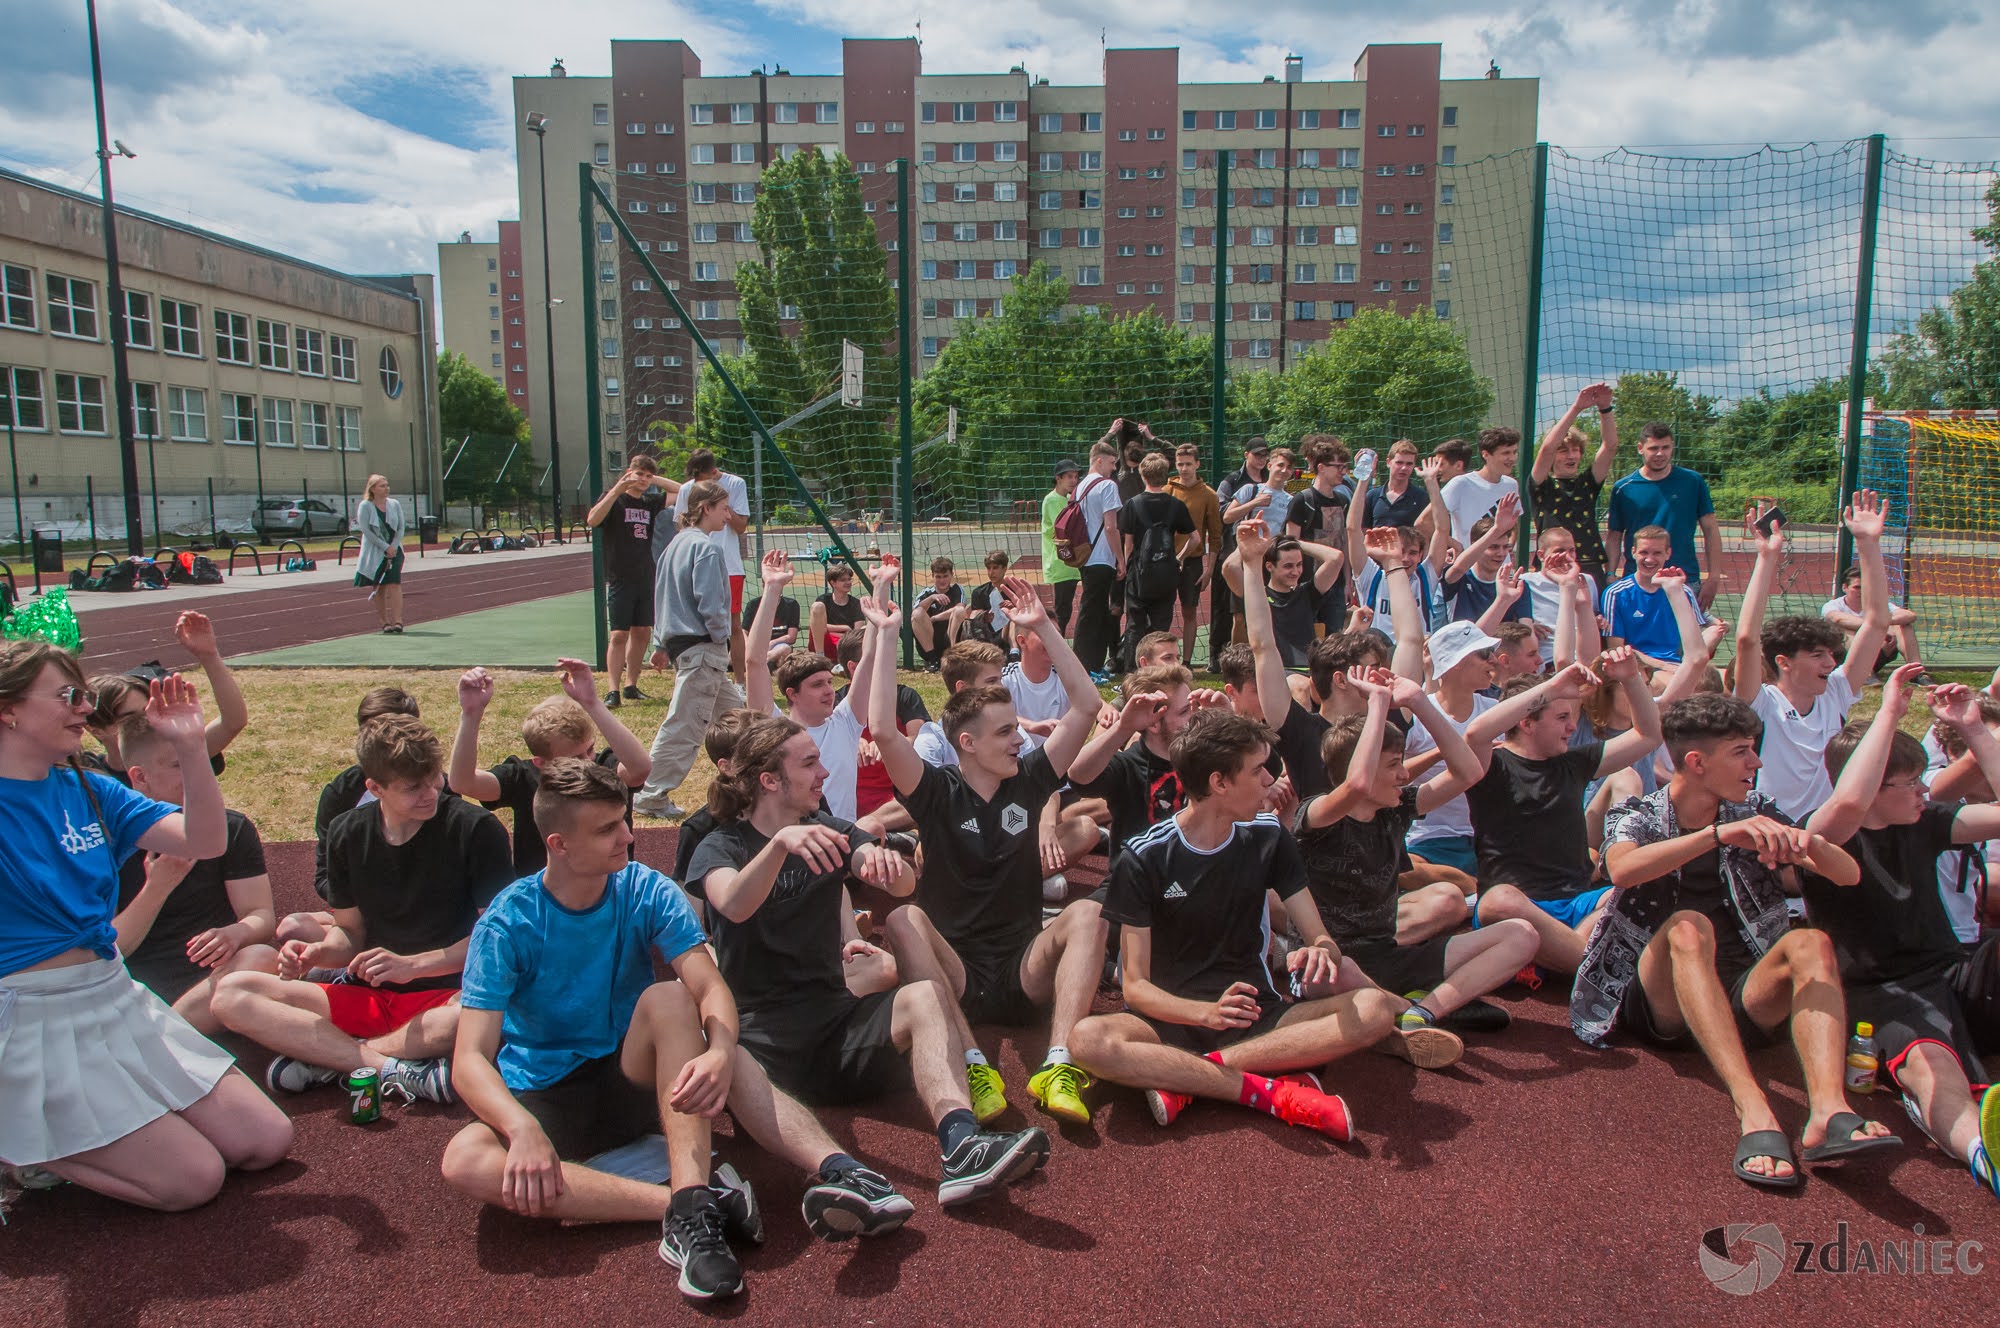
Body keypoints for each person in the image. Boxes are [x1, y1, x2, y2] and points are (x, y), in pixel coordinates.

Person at [685, 720, 1051, 1219]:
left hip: (837, 1027)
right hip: (763, 1040)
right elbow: (732, 903)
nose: (823, 773)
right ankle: (845, 1174)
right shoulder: (721, 847)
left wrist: (887, 870)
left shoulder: (831, 830)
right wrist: (779, 846)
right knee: (728, 1058)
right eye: (808, 763)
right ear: (769, 780)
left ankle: (962, 1145)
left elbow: (894, 884)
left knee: (923, 996)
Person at [441, 759, 765, 1302]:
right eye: (607, 829)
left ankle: (689, 1213)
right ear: (559, 844)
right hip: (547, 1092)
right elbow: (469, 1057)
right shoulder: (508, 920)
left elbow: (709, 987)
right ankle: (690, 1206)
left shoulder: (644, 888)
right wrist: (521, 1131)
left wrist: (721, 1051)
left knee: (667, 998)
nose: (629, 836)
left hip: (631, 1079)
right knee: (464, 1161)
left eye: (623, 820)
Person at [0, 645, 293, 1210]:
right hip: (30, 1018)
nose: (84, 709)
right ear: (8, 709)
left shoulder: (87, 788)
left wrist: (189, 746)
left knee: (266, 1141)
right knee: (194, 1181)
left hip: (112, 997)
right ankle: (21, 1141)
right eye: (66, 696)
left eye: (83, 695)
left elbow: (206, 841)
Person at [1572, 693, 1896, 1188]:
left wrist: (1808, 844)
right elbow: (1622, 868)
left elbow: (1848, 876)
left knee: (1811, 943)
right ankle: (1754, 1108)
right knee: (1687, 926)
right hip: (1661, 1002)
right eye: (1743, 750)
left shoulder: (1758, 809)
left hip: (1742, 993)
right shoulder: (1637, 813)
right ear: (1697, 763)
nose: (1757, 761)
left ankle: (1828, 1112)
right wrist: (1720, 836)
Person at [1069, 708, 1391, 1137]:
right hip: (1170, 1020)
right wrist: (1205, 1013)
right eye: (1258, 770)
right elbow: (1136, 987)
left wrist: (1320, 949)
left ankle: (1194, 1078)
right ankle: (1267, 1092)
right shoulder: (1144, 858)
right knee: (1088, 1039)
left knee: (1374, 1008)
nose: (1269, 782)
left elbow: (1318, 935)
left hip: (1257, 1013)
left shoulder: (1268, 836)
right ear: (1219, 783)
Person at [864, 581, 1113, 1126]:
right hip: (952, 974)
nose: (1019, 740)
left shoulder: (1028, 780)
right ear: (968, 744)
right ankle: (972, 1062)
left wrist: (1043, 625)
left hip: (1022, 969)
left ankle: (1059, 1064)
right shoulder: (935, 791)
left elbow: (1088, 704)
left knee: (1091, 912)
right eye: (1005, 733)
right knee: (904, 918)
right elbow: (882, 729)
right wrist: (885, 635)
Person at [213, 714, 513, 1103]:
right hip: (371, 994)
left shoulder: (476, 829)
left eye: (434, 779)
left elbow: (494, 944)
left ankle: (333, 1057)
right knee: (231, 994)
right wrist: (317, 953)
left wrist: (413, 966)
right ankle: (391, 1067)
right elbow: (349, 934)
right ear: (375, 787)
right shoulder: (347, 832)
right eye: (413, 787)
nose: (431, 793)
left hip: (448, 995)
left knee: (484, 1015)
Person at [1807, 673, 2000, 1199]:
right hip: (1882, 996)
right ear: (1870, 786)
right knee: (1932, 1067)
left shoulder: (1924, 820)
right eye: (1909, 781)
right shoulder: (1817, 838)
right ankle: (1983, 1152)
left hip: (1953, 975)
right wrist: (1890, 710)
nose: (1925, 789)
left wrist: (1975, 729)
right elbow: (1847, 806)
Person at [1293, 668, 1538, 1056]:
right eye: (1393, 765)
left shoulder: (1395, 809)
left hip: (1387, 955)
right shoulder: (1317, 816)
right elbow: (1355, 785)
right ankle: (1413, 1011)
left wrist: (1419, 702)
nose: (1404, 774)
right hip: (1327, 965)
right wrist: (1377, 702)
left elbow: (1469, 771)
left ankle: (1420, 1013)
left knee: (1522, 934)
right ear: (1365, 766)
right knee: (1341, 971)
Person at [1465, 651, 1662, 973]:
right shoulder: (1491, 766)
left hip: (1576, 904)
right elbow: (1476, 733)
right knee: (1498, 902)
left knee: (1641, 892)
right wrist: (1553, 686)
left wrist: (1630, 678)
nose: (1572, 727)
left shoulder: (1574, 762)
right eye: (1561, 718)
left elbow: (1649, 735)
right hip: (1520, 909)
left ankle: (1569, 957)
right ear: (1526, 723)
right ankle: (1588, 963)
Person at [112, 713, 278, 1035]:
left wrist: (237, 933)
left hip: (210, 978)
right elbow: (113, 949)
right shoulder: (108, 841)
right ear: (140, 776)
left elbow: (260, 916)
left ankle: (165, 1037)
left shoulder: (232, 828)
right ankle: (169, 1038)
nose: (195, 772)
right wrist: (158, 886)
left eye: (197, 759)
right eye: (178, 765)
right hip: (135, 985)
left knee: (260, 957)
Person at [1732, 493, 1891, 821]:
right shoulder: (1761, 703)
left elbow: (1876, 623)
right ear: (1783, 662)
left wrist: (1868, 544)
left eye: (1831, 655)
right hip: (1768, 831)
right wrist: (1766, 557)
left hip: (1821, 830)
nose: (1830, 663)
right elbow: (1747, 639)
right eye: (1817, 655)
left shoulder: (1836, 691)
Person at [449, 659, 652, 877]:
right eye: (574, 757)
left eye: (590, 750)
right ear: (542, 764)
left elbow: (640, 768)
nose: (587, 761)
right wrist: (471, 714)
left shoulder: (602, 769)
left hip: (611, 888)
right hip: (545, 897)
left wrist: (591, 702)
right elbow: (463, 782)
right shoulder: (523, 777)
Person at [746, 551, 887, 824]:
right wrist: (773, 589)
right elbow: (754, 662)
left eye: (829, 683)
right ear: (792, 694)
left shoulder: (846, 722)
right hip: (793, 845)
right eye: (816, 685)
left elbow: (869, 657)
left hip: (841, 843)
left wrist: (880, 585)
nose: (828, 691)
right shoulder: (773, 729)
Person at [634, 480, 745, 823]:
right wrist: (720, 638)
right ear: (706, 508)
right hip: (702, 648)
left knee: (741, 719)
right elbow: (711, 604)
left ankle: (755, 779)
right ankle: (650, 794)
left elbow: (661, 598)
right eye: (724, 508)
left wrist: (660, 644)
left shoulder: (674, 545)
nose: (729, 515)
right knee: (685, 724)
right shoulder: (707, 549)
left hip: (687, 647)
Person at [84, 610, 249, 783]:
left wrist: (209, 656)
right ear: (96, 729)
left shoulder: (177, 754)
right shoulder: (89, 775)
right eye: (131, 717)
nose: (147, 720)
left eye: (149, 710)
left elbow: (233, 721)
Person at [313, 686, 423, 901]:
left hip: (428, 907)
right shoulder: (340, 793)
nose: (382, 742)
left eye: (394, 732)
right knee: (293, 927)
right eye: (371, 732)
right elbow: (325, 876)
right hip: (365, 911)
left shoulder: (437, 788)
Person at [585, 456, 677, 706]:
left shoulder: (650, 501)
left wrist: (653, 479)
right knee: (618, 635)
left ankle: (631, 685)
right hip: (620, 577)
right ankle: (612, 689)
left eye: (648, 476)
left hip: (645, 575)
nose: (644, 480)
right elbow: (593, 520)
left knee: (642, 632)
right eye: (640, 474)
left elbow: (681, 491)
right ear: (628, 473)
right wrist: (619, 488)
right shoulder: (614, 498)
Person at [1604, 423, 1723, 608]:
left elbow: (1711, 529)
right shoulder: (1623, 488)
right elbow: (1614, 536)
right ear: (1640, 448)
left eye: (1665, 447)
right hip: (1638, 581)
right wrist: (1610, 574)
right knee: (1635, 637)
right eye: (1653, 448)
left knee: (1687, 637)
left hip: (1684, 579)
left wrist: (1714, 577)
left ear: (1672, 447)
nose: (1660, 454)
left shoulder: (1692, 482)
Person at [663, 450, 752, 677]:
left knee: (732, 624)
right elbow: (681, 524)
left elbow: (741, 526)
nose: (697, 484)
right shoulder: (687, 489)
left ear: (713, 472)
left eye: (703, 479)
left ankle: (740, 680)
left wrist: (723, 504)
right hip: (696, 564)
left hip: (730, 566)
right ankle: (701, 667)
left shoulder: (735, 483)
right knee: (694, 617)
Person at [1220, 521, 1346, 670]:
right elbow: (1229, 567)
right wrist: (1247, 545)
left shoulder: (1307, 593)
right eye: (1288, 566)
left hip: (1307, 670)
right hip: (1274, 672)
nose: (1295, 572)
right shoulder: (1257, 596)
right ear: (1270, 567)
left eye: (1299, 565)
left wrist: (1293, 541)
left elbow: (1336, 558)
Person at [1530, 384, 1618, 583]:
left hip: (1589, 565)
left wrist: (1605, 408)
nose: (1571, 456)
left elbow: (1610, 447)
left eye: (1576, 450)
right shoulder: (1541, 485)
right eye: (1564, 451)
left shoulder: (1588, 483)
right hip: (1553, 565)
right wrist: (1576, 408)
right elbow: (1547, 448)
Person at [1119, 454, 1196, 673]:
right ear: (1165, 476)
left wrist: (1127, 566)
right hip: (1166, 573)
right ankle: (1161, 671)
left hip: (1139, 574)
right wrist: (1178, 558)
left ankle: (1132, 673)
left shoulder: (1132, 505)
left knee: (1135, 624)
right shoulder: (1176, 505)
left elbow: (1129, 543)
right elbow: (1196, 538)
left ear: (1143, 475)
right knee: (1161, 625)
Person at [1601, 528, 1708, 667]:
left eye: (1657, 553)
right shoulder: (1616, 594)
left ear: (1668, 553)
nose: (1649, 559)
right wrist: (1665, 667)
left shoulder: (1682, 592)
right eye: (1643, 552)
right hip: (1637, 667)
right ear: (1633, 552)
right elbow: (1617, 651)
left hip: (1677, 665)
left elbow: (1694, 642)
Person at [1209, 439, 1271, 672]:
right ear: (1246, 455)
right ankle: (1219, 654)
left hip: (1265, 552)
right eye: (1257, 455)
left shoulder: (1271, 481)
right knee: (1228, 606)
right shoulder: (1234, 481)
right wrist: (1253, 502)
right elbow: (1223, 512)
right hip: (1233, 548)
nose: (1261, 459)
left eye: (1265, 455)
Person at [1073, 441, 1127, 679]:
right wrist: (1120, 558)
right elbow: (1111, 526)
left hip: (1084, 557)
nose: (1114, 468)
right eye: (1112, 463)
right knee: (1091, 614)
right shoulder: (1107, 486)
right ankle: (1086, 668)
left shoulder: (1079, 487)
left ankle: (1090, 666)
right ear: (1099, 460)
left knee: (1092, 612)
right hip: (1101, 557)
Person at [910, 641, 1007, 769]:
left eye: (1000, 679)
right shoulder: (933, 742)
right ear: (962, 688)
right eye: (991, 681)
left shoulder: (1013, 732)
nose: (1001, 687)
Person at [1166, 444, 1222, 667]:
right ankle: (1163, 660)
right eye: (1180, 464)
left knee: (1189, 611)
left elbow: (1216, 536)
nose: (1184, 468)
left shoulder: (1209, 495)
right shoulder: (1168, 490)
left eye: (1189, 464)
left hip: (1193, 562)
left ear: (1197, 464)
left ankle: (1186, 662)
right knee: (1163, 612)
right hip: (1167, 561)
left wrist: (1209, 569)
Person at [1442, 498, 1534, 629]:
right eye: (1493, 547)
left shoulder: (1516, 585)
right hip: (1463, 646)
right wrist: (1497, 529)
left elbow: (1526, 630)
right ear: (1476, 545)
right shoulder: (1460, 579)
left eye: (1505, 547)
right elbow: (1457, 570)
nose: (1501, 553)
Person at [1822, 563, 1921, 674]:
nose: (1861, 591)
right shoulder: (1833, 605)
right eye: (1857, 587)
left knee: (1902, 626)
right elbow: (1837, 619)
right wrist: (1878, 628)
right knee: (1846, 629)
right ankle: (1864, 673)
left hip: (1877, 652)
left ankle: (1917, 672)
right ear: (1845, 587)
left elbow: (1910, 615)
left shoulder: (1878, 605)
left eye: (1865, 587)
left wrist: (1885, 624)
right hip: (1844, 657)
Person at [1523, 528, 1600, 666]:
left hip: (1585, 659)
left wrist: (1598, 620)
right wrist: (1528, 627)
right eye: (1559, 551)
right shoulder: (1525, 583)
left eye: (1571, 551)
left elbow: (1593, 618)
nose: (1567, 557)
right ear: (1541, 555)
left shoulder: (1585, 581)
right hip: (1546, 661)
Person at [1439, 427, 1521, 547]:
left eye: (1514, 452)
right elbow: (1425, 522)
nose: (1512, 458)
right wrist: (1456, 546)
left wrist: (1508, 545)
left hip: (1501, 564)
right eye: (1506, 453)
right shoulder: (1461, 483)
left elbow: (1513, 523)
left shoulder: (1511, 485)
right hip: (1469, 563)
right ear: (1486, 455)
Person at [353, 473, 408, 635]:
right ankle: (384, 621)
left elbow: (401, 527)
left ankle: (398, 620)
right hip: (375, 551)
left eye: (387, 485)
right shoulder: (365, 506)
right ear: (373, 489)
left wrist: (393, 546)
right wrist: (384, 547)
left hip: (394, 549)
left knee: (395, 583)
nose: (386, 489)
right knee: (380, 587)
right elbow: (366, 530)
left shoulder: (394, 504)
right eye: (382, 486)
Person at [1040, 459, 1085, 634]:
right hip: (1061, 561)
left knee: (1068, 608)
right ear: (1058, 478)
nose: (1074, 480)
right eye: (1069, 477)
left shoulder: (1069, 499)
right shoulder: (1052, 500)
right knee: (1062, 609)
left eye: (1075, 477)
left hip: (1072, 561)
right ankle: (1056, 645)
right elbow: (1062, 529)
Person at [910, 557, 968, 667]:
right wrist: (932, 598)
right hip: (929, 641)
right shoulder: (926, 593)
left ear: (952, 575)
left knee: (960, 611)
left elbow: (960, 608)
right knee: (917, 613)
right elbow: (916, 612)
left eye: (945, 576)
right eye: (938, 577)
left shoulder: (957, 589)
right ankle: (932, 660)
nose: (942, 580)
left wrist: (934, 618)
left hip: (950, 637)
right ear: (932, 576)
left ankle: (953, 655)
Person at [1365, 440, 1431, 532]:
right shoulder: (1372, 496)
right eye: (1399, 463)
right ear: (1388, 462)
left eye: (1409, 464)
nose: (1404, 468)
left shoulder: (1421, 497)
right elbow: (1363, 530)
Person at [809, 561, 867, 659]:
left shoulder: (856, 603)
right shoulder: (823, 600)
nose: (848, 582)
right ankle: (820, 658)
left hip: (846, 644)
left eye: (849, 579)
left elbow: (857, 631)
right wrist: (845, 628)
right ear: (833, 583)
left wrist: (842, 634)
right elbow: (817, 627)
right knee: (817, 606)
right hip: (824, 643)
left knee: (866, 628)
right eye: (843, 580)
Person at [740, 586, 802, 668]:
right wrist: (748, 646)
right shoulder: (753, 604)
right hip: (755, 645)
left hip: (776, 646)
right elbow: (744, 631)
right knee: (732, 655)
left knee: (785, 649)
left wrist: (772, 643)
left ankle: (756, 662)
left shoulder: (791, 605)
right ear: (763, 585)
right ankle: (766, 663)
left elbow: (791, 637)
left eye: (778, 584)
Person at [963, 551, 1014, 649]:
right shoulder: (979, 592)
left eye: (995, 568)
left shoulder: (1014, 591)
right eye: (988, 568)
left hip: (1008, 633)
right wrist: (984, 616)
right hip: (986, 634)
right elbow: (974, 617)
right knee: (974, 614)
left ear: (1004, 568)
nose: (991, 572)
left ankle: (1014, 652)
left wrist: (1012, 607)